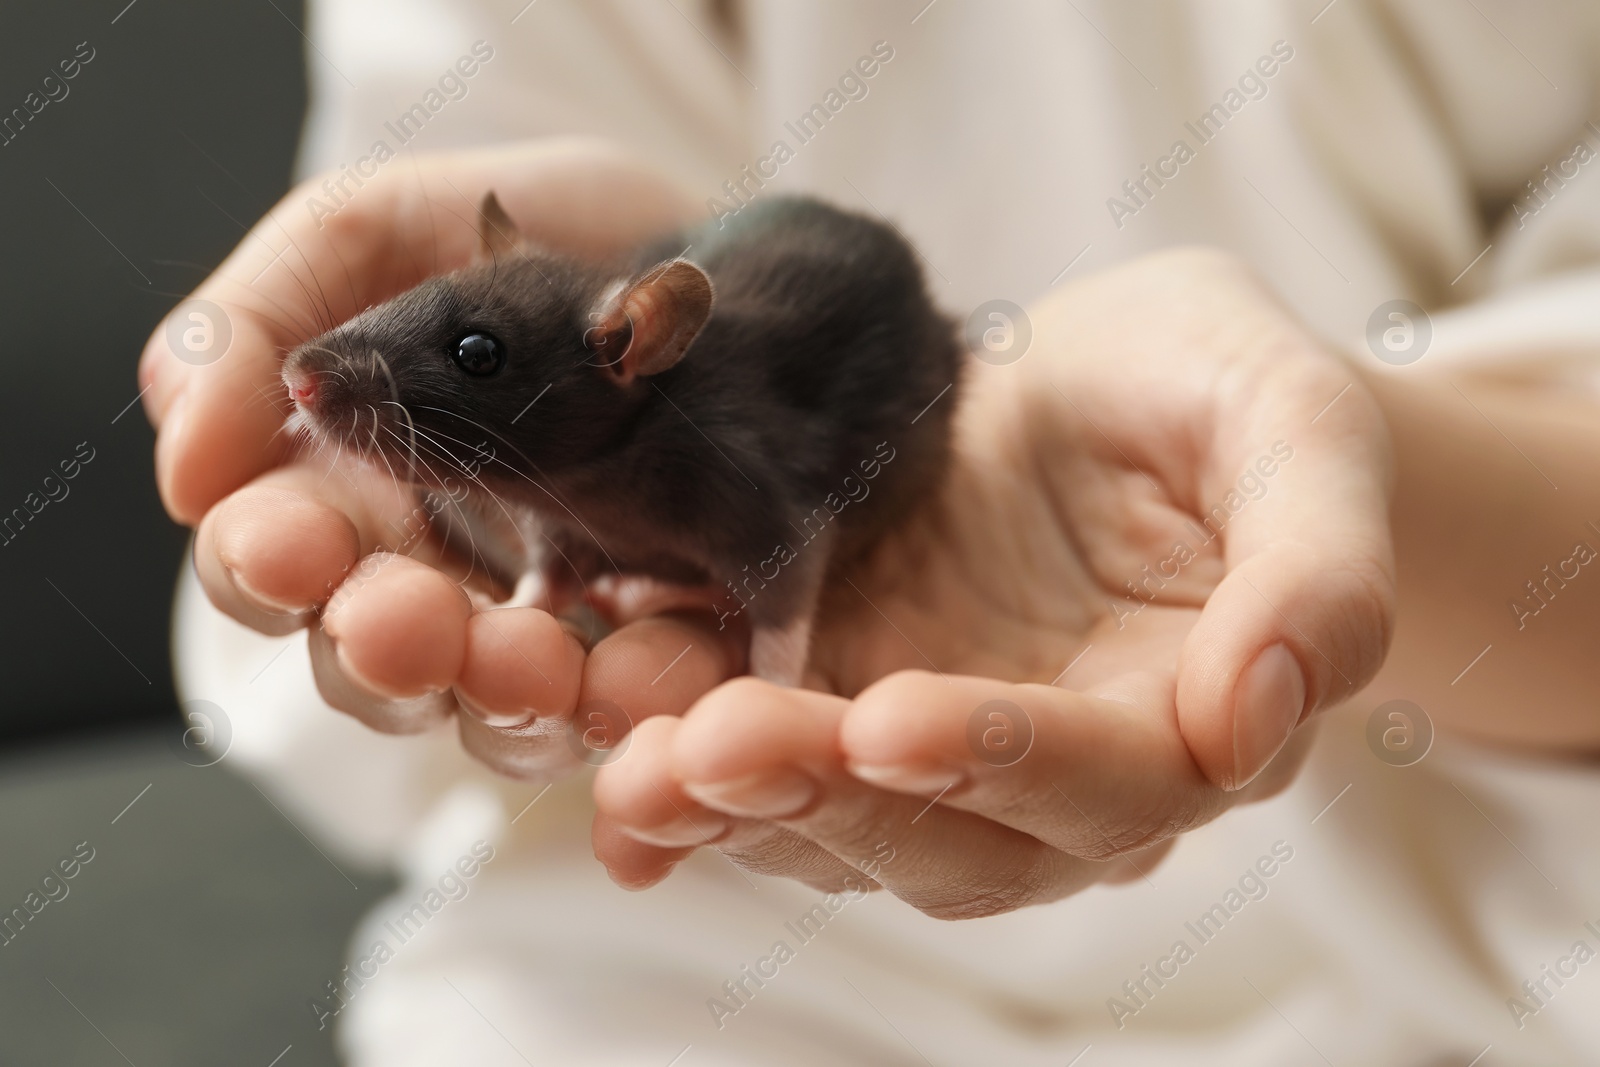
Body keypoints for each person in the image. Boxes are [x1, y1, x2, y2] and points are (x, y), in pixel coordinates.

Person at [146, 2, 1600, 1062]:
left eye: (464, 367)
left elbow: (777, 547)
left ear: (635, 347)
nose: (339, 371)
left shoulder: (709, 455)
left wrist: (1393, 471)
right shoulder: (575, 413)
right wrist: (532, 556)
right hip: (663, 973)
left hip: (1491, 906)